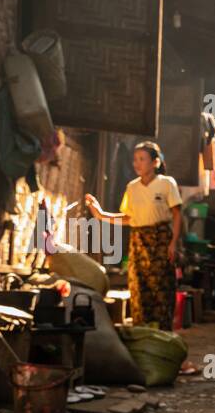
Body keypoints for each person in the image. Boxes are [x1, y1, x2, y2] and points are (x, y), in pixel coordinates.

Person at [85, 141, 198, 375]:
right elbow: (128, 217)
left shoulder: (167, 184)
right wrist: (101, 214)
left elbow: (177, 215)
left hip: (160, 240)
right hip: (138, 241)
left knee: (162, 293)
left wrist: (172, 243)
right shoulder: (132, 187)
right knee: (139, 292)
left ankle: (167, 351)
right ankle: (140, 350)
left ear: (155, 162)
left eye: (142, 159)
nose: (137, 163)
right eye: (135, 159)